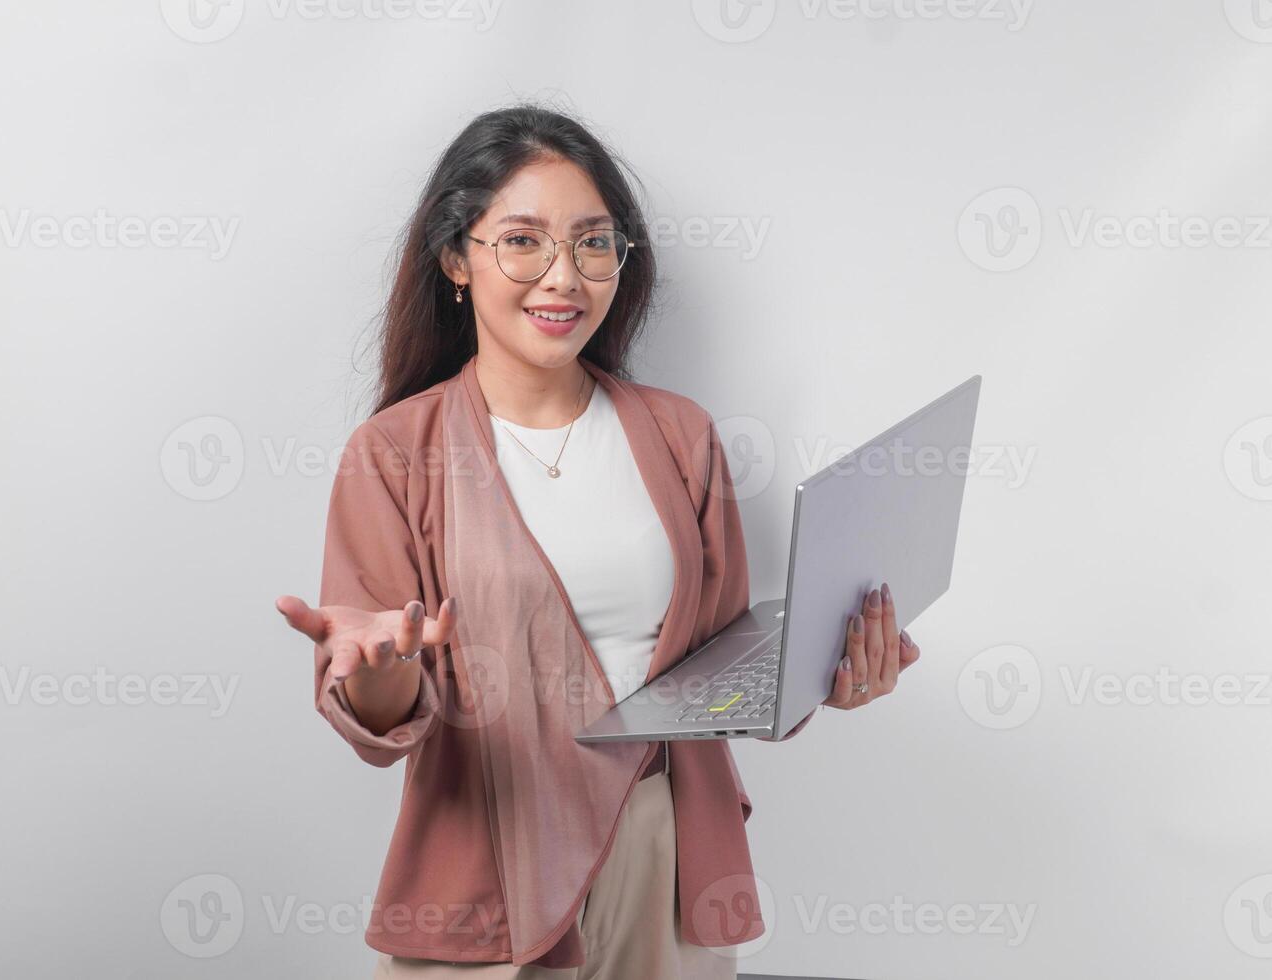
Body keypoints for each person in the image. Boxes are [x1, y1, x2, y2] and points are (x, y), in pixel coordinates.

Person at [275, 103, 921, 979]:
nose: (563, 276)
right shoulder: (393, 456)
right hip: (493, 864)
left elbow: (719, 666)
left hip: (665, 851)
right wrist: (382, 677)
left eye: (592, 242)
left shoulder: (680, 437)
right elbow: (381, 711)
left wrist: (820, 670)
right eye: (523, 240)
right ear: (455, 258)